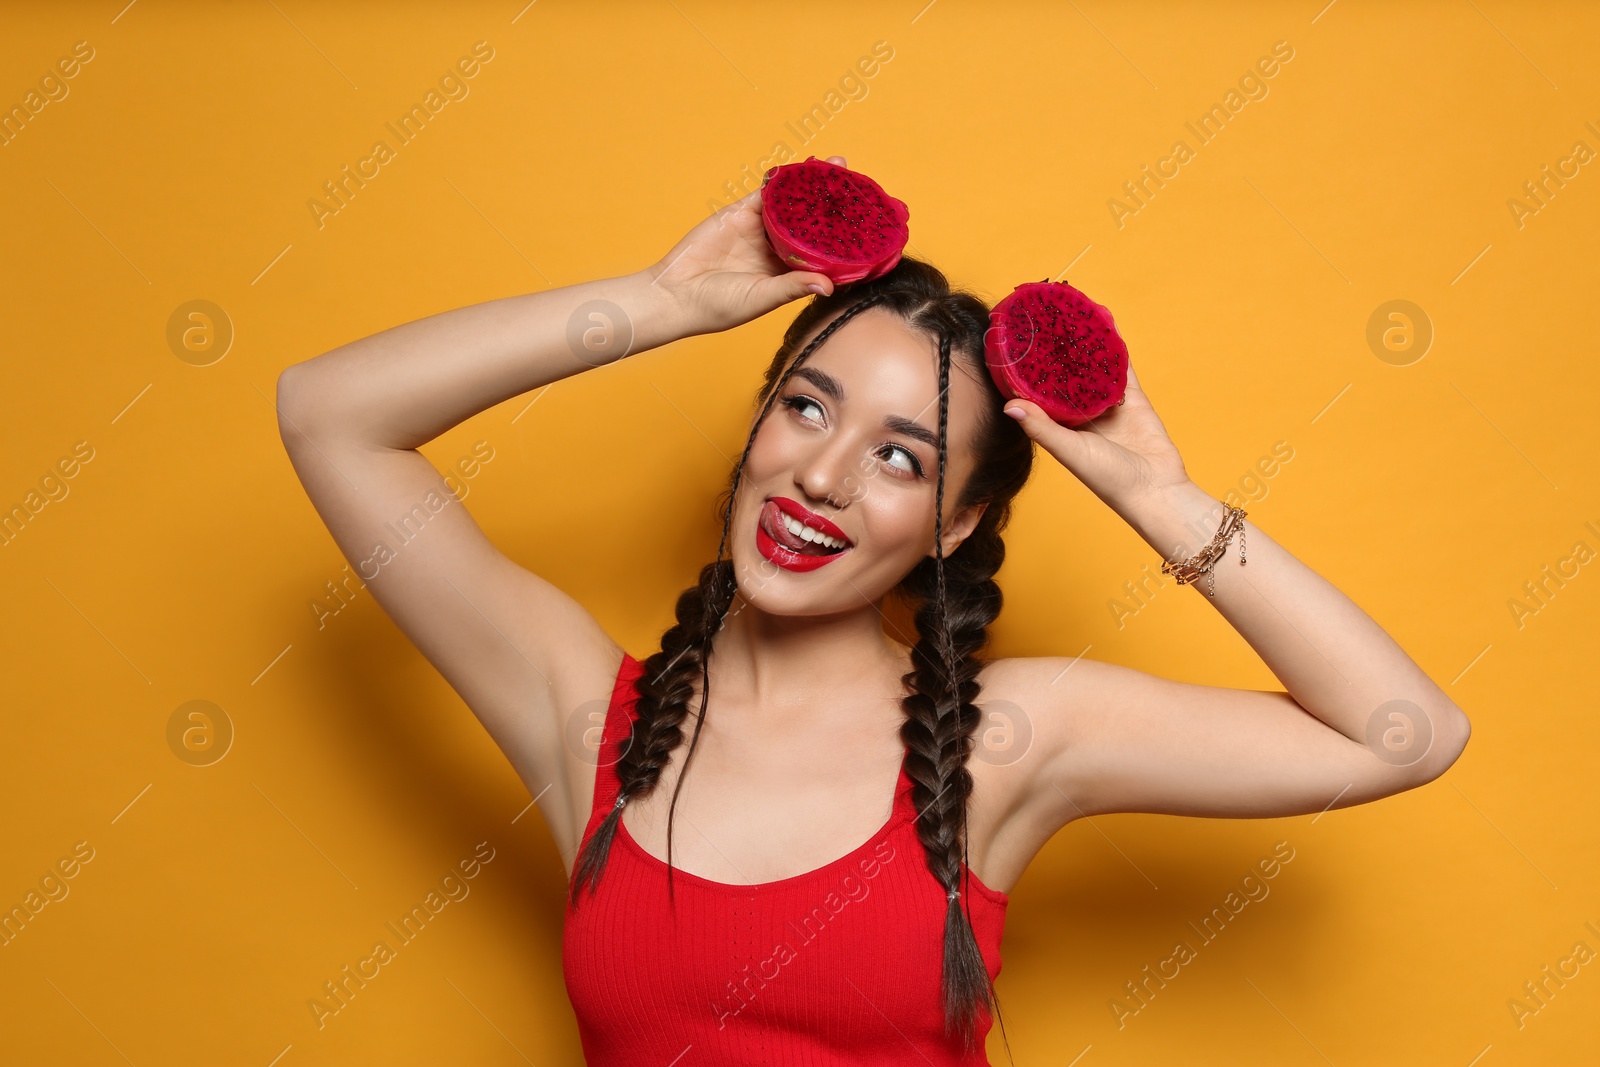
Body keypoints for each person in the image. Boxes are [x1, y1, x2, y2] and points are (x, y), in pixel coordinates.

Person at [275, 155, 1470, 1065]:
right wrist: (660, 303)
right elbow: (331, 414)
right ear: (756, 427)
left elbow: (1399, 730)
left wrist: (1160, 497)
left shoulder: (1011, 734)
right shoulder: (589, 715)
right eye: (806, 407)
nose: (824, 475)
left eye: (901, 457)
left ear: (952, 526)